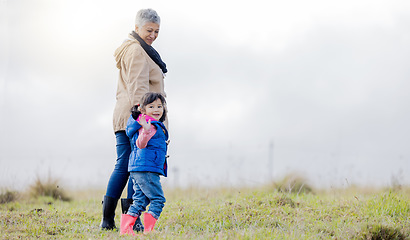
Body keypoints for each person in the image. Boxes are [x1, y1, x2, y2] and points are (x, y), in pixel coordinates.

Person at [100, 8, 168, 231]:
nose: (153, 35)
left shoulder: (136, 49)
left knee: (124, 166)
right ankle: (131, 219)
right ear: (137, 27)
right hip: (137, 118)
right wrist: (146, 123)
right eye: (149, 30)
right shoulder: (137, 51)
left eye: (157, 31)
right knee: (134, 166)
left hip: (125, 116)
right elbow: (140, 90)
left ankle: (109, 220)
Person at [120, 92, 169, 236]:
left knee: (140, 201)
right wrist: (146, 131)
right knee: (158, 199)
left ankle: (125, 230)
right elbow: (140, 144)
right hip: (146, 169)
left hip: (139, 168)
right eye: (151, 106)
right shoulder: (148, 126)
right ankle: (148, 231)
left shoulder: (151, 124)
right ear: (143, 110)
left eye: (159, 106)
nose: (156, 109)